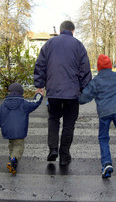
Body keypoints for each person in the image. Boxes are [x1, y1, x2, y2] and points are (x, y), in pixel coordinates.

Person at [34, 20, 92, 166]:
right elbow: (84, 70)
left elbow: (40, 65)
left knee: (53, 119)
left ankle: (53, 149)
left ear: (60, 30)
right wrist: (84, 89)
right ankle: (64, 155)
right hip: (72, 94)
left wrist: (40, 85)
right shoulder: (78, 45)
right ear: (73, 31)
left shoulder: (49, 44)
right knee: (68, 124)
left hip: (53, 92)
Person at [79, 54, 116, 179]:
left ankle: (106, 164)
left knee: (103, 138)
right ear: (110, 66)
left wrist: (76, 93)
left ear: (99, 68)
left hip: (104, 112)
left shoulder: (96, 81)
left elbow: (83, 98)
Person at [0, 82, 43, 175]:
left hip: (8, 130)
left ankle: (12, 160)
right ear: (21, 92)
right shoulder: (23, 103)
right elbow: (35, 103)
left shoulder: (3, 104)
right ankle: (13, 160)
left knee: (12, 145)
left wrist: (2, 126)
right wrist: (39, 94)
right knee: (19, 146)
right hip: (19, 131)